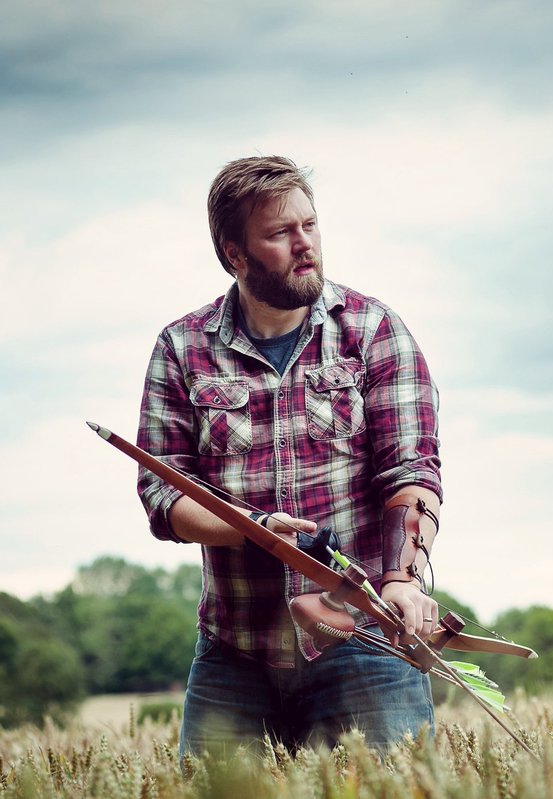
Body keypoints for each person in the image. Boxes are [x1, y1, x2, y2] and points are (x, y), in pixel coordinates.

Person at [136, 155, 442, 758]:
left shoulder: (374, 330)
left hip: (363, 641)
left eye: (310, 225)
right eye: (280, 233)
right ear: (234, 254)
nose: (305, 245)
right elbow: (162, 497)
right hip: (235, 652)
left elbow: (412, 472)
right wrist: (251, 531)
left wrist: (402, 580)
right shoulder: (181, 348)